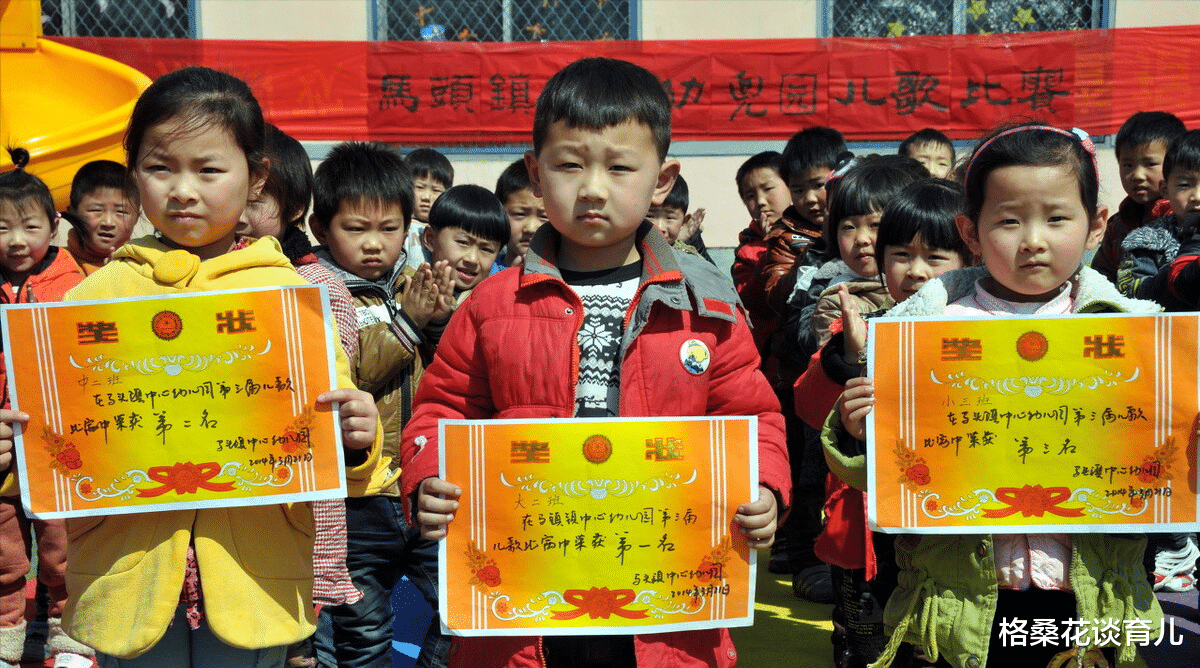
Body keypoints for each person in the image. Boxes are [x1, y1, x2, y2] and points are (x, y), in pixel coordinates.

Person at [399, 56, 791, 668]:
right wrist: (429, 478)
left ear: (662, 181)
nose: (592, 188)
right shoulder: (491, 304)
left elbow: (753, 415)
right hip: (527, 592)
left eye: (619, 167)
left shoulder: (706, 305)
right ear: (535, 173)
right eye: (569, 164)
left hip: (664, 595)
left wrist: (764, 487)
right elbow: (442, 408)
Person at [28, 66, 388, 666]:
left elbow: (334, 459)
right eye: (160, 167)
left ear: (256, 176)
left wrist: (355, 439)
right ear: (133, 171)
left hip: (254, 580)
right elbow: (58, 448)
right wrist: (22, 448)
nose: (183, 191)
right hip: (127, 581)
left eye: (209, 169)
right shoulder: (93, 300)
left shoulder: (287, 298)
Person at [830, 123, 1163, 668]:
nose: (1033, 239)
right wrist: (856, 431)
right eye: (1009, 220)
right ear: (970, 231)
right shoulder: (922, 335)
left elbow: (1161, 464)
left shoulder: (1135, 336)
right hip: (964, 598)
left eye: (1056, 218)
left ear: (1096, 225)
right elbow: (882, 477)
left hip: (1089, 595)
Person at [793, 178, 970, 668]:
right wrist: (850, 359)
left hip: (950, 524)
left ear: (969, 257)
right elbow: (809, 405)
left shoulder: (986, 336)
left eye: (935, 257)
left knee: (936, 640)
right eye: (901, 255)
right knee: (864, 640)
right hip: (866, 531)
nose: (915, 271)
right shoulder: (864, 329)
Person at [308, 141, 453, 668]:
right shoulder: (314, 293)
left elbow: (451, 375)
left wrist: (440, 322)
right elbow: (347, 378)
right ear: (321, 228)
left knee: (460, 607)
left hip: (419, 485)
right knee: (364, 635)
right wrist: (409, 322)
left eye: (390, 229)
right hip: (357, 501)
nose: (375, 244)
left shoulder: (414, 284)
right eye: (356, 228)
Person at [233, 123, 363, 668]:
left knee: (301, 642)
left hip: (295, 496)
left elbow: (332, 386)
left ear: (294, 209)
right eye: (234, 196)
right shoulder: (198, 284)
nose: (240, 214)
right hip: (225, 492)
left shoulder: (317, 286)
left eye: (257, 201)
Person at [0, 148, 93, 668]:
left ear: (54, 226)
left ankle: (71, 639)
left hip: (57, 442)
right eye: (1, 228)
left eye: (30, 226)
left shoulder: (77, 286)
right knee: (4, 552)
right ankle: (6, 641)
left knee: (63, 546)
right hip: (0, 445)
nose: (16, 240)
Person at [1090, 111, 1185, 283]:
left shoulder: (1185, 218)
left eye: (1150, 164)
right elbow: (1100, 277)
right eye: (1128, 165)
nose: (1137, 175)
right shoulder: (1117, 225)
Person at [1116, 129, 1200, 311]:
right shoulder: (1147, 242)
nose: (1197, 196)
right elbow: (1130, 293)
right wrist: (1182, 275)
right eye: (1185, 185)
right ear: (1165, 189)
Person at [731, 151, 792, 367]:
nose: (760, 202)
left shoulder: (815, 234)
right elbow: (754, 302)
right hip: (773, 358)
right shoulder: (748, 251)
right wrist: (770, 248)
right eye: (750, 196)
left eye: (768, 189)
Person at [421, 183, 507, 305]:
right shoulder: (405, 289)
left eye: (486, 249)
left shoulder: (496, 303)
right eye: (463, 242)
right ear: (430, 239)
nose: (472, 259)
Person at [61, 159, 140, 275]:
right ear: (72, 214)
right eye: (96, 210)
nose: (108, 222)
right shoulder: (52, 265)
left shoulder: (144, 266)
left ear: (136, 217)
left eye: (121, 212)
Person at [402, 147, 453, 270]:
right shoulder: (400, 225)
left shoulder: (447, 229)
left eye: (436, 190)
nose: (426, 197)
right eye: (419, 187)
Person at [493, 158, 548, 269]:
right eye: (520, 214)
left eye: (543, 216)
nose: (531, 228)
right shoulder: (483, 275)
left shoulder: (568, 277)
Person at [645, 175, 711, 262]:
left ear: (684, 221)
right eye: (650, 216)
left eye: (669, 218)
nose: (660, 227)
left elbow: (707, 269)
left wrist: (685, 241)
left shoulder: (688, 251)